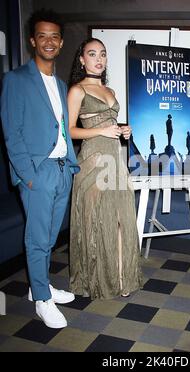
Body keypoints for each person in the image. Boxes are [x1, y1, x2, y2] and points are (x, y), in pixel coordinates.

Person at [1, 9, 79, 328]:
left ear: (60, 43)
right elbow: (11, 131)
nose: (49, 41)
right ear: (33, 41)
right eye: (42, 35)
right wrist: (28, 176)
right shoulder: (16, 80)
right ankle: (42, 302)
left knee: (48, 238)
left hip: (62, 169)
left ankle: (40, 288)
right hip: (38, 172)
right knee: (36, 239)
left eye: (54, 36)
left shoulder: (61, 84)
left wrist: (70, 167)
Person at [68, 38, 143, 300]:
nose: (98, 59)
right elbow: (69, 132)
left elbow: (110, 123)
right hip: (92, 161)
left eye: (102, 54)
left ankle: (122, 279)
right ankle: (97, 280)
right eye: (92, 54)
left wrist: (124, 131)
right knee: (96, 222)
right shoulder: (77, 90)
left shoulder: (110, 91)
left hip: (115, 159)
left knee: (121, 220)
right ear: (81, 59)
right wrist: (101, 130)